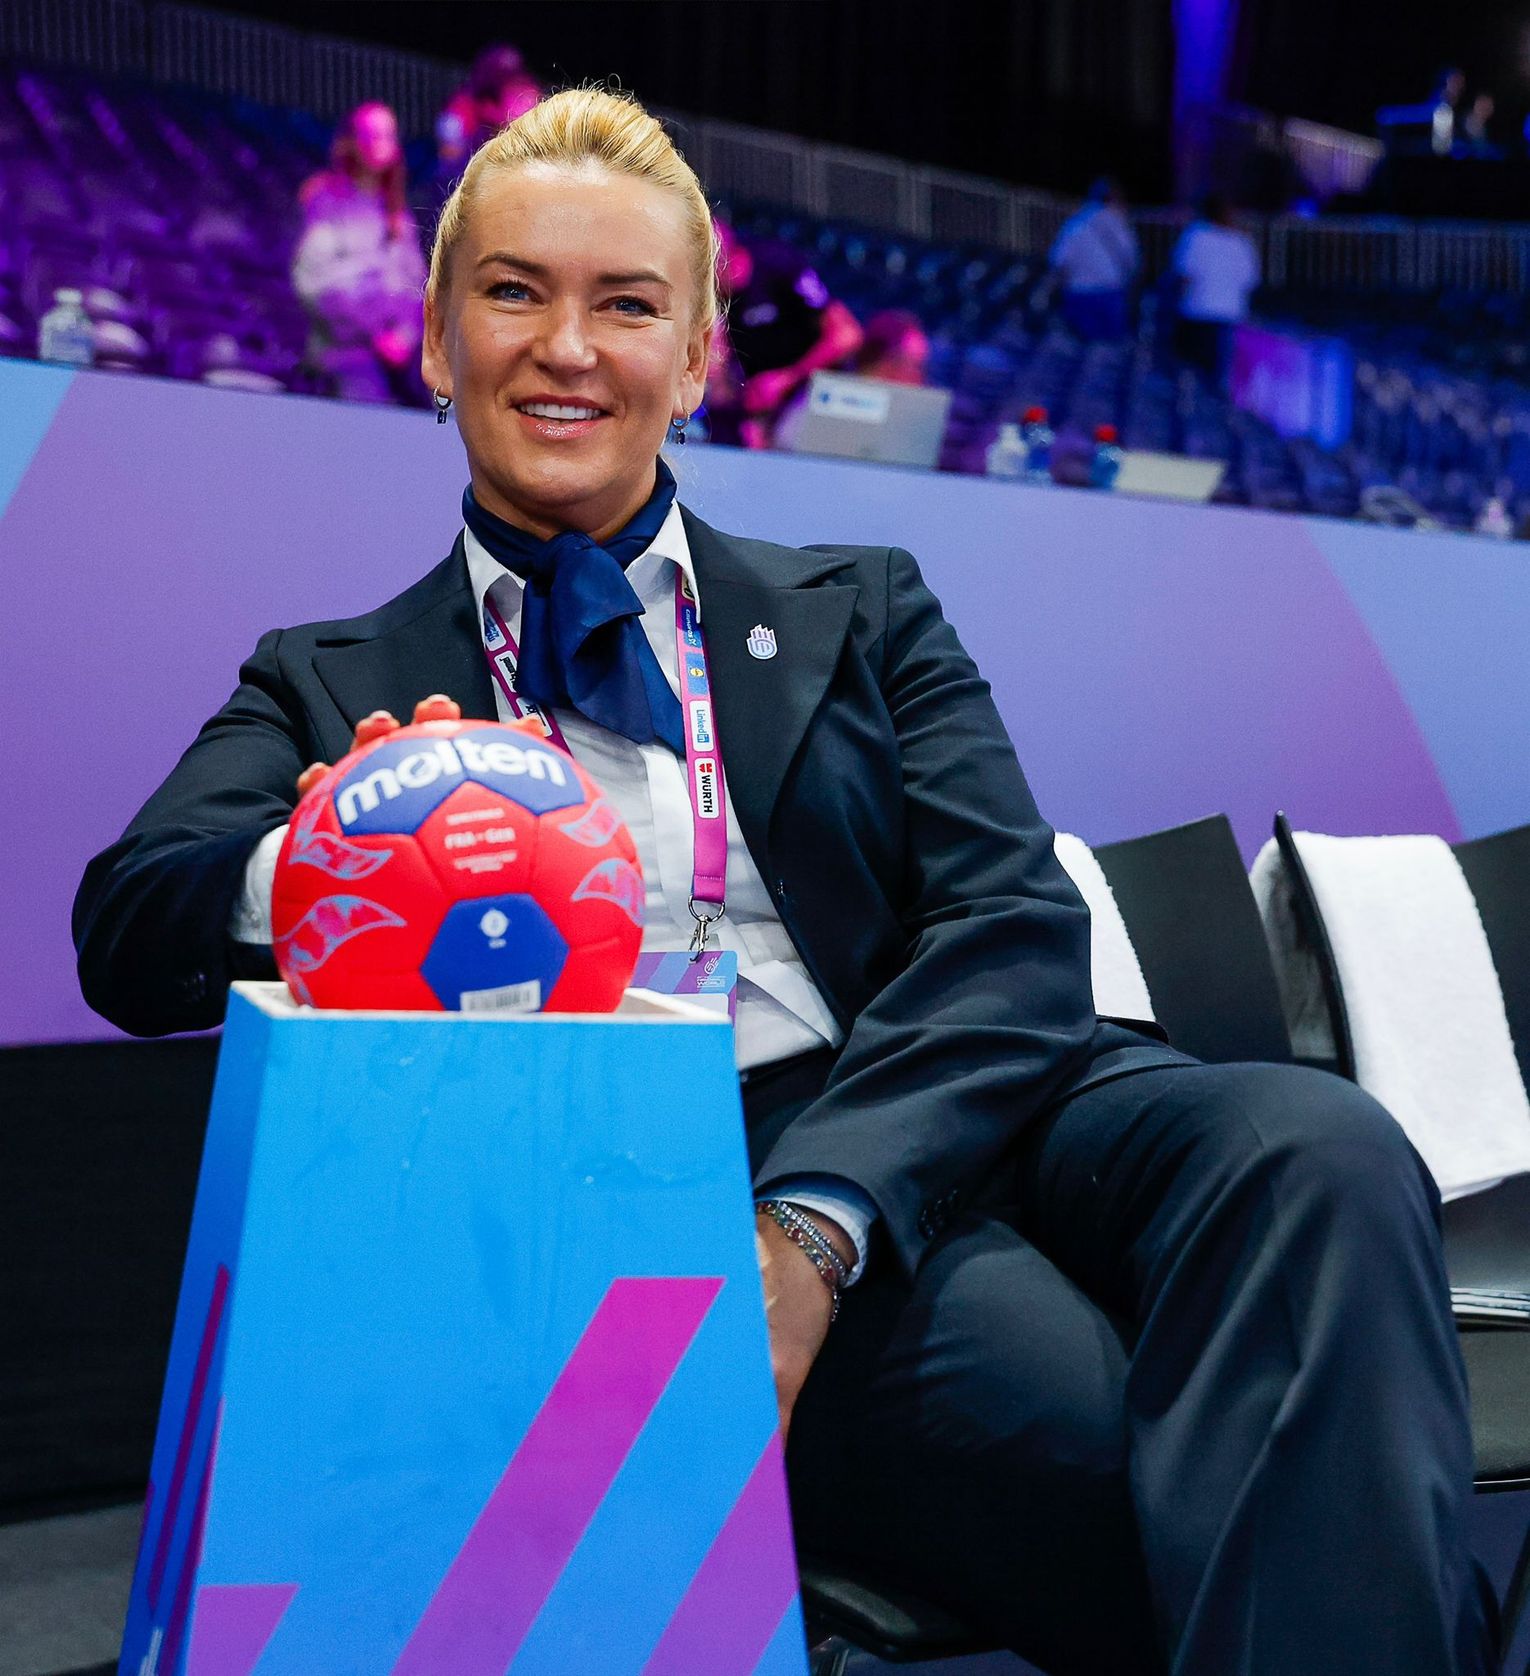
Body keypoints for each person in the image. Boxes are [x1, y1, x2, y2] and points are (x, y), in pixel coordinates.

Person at [74, 88, 1494, 1676]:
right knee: (1161, 1462)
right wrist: (348, 849)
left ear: (693, 361)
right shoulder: (330, 677)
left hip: (976, 1089)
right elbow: (127, 927)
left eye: (627, 306)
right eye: (514, 292)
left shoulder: (859, 607)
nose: (567, 348)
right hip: (679, 1158)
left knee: (1321, 1147)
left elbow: (1010, 920)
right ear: (432, 339)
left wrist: (815, 1224)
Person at [291, 101, 427, 404]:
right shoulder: (324, 201)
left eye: (388, 135)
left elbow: (415, 286)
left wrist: (403, 337)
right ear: (351, 141)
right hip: (343, 355)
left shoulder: (400, 217)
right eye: (371, 135)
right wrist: (372, 334)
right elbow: (313, 281)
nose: (379, 144)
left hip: (401, 357)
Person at [706, 215, 863, 447]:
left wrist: (786, 379)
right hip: (761, 400)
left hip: (813, 389)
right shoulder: (713, 299)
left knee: (786, 438)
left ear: (723, 260)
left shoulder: (778, 264)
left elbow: (847, 335)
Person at [1170, 195, 1260, 385]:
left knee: (1192, 372)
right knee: (1221, 374)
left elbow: (1184, 274)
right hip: (1230, 313)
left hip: (1197, 310)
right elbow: (1250, 281)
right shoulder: (1242, 242)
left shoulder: (1195, 235)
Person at [435, 44, 542, 191]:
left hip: (519, 174)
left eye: (510, 74)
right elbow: (449, 153)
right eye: (497, 73)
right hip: (468, 178)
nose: (502, 81)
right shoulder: (462, 105)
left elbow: (532, 140)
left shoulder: (525, 95)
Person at [1047, 178, 1139, 341]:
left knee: (1082, 348)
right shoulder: (1119, 224)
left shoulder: (1075, 224)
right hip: (1112, 294)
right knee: (1112, 349)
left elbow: (1059, 262)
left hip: (1079, 294)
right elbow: (1132, 261)